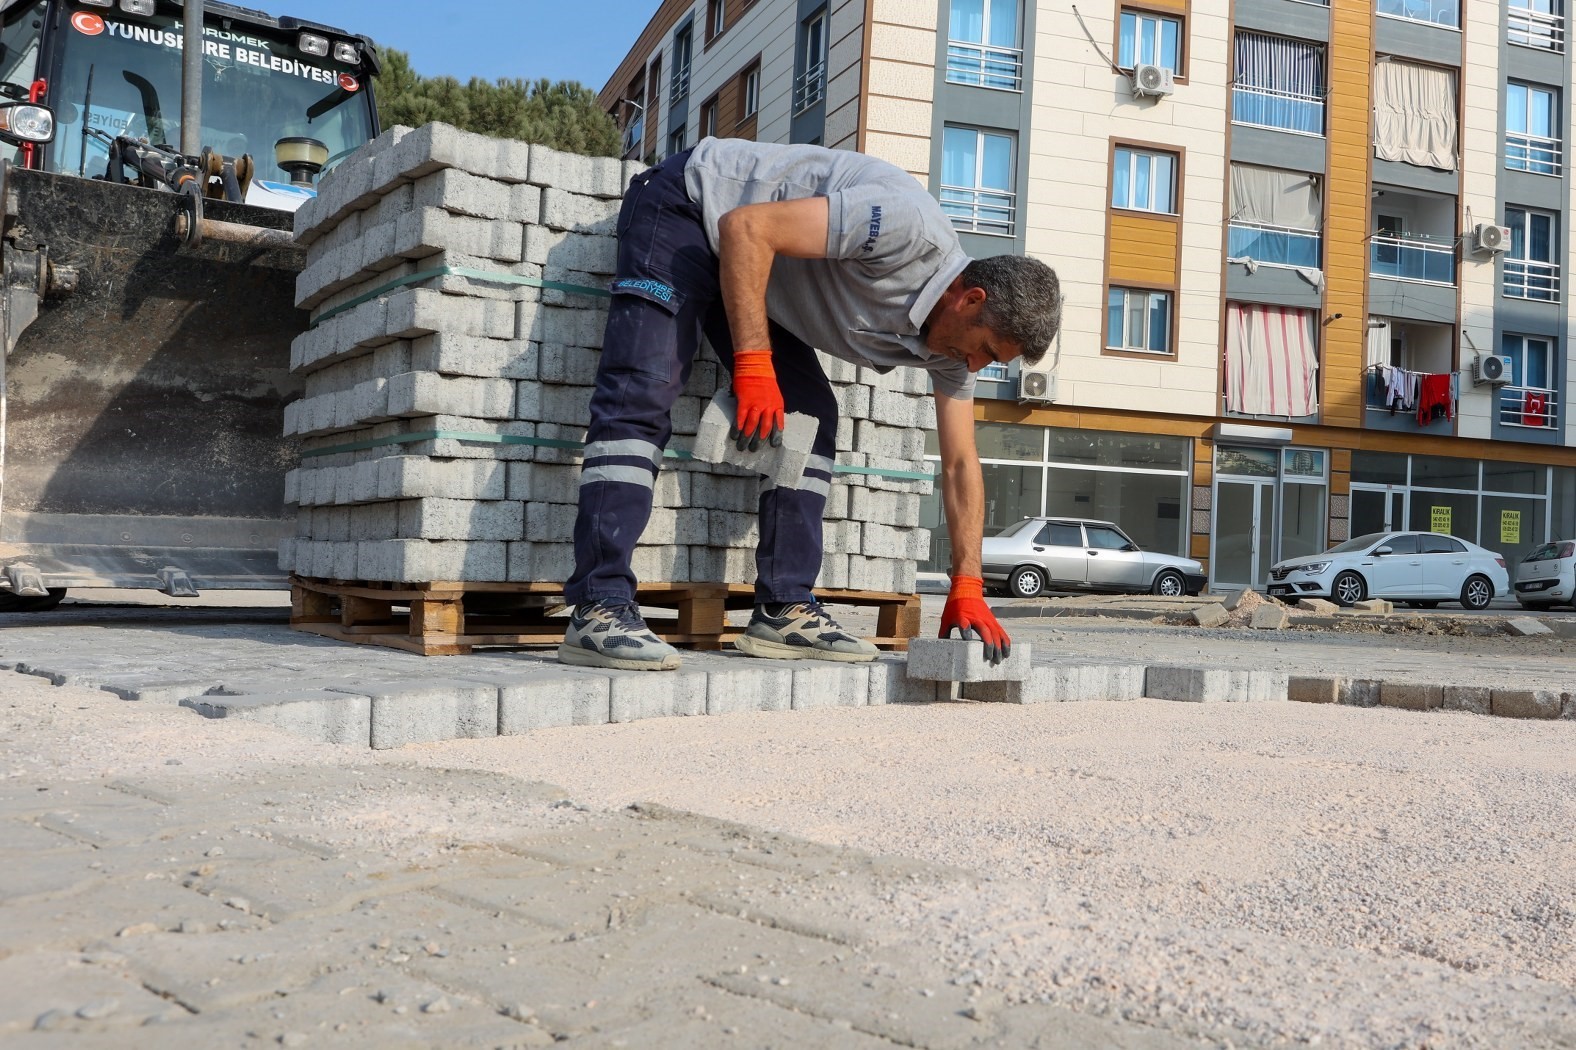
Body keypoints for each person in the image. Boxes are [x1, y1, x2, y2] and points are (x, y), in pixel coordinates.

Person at [557, 137, 1061, 672]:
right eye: (985, 350)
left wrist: (967, 583)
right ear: (971, 299)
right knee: (645, 384)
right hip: (689, 207)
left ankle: (783, 609)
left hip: (756, 271)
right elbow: (745, 228)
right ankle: (599, 606)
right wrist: (754, 366)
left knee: (811, 416)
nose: (976, 367)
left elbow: (961, 464)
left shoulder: (951, 354)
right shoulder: (903, 226)